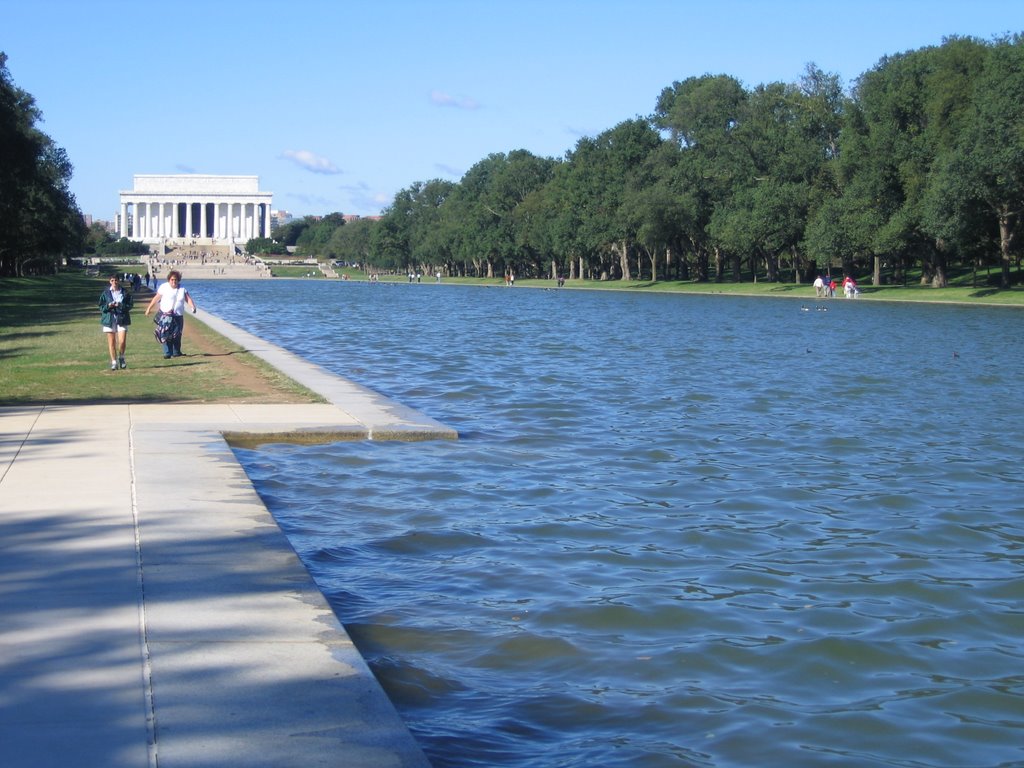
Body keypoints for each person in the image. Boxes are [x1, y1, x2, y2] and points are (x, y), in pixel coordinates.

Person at [144, 270, 197, 358]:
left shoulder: (182, 289)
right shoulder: (164, 287)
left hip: (178, 315)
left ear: (178, 280)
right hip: (166, 315)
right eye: (172, 279)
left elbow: (188, 299)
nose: (174, 281)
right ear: (169, 280)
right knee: (165, 333)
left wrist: (193, 307)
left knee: (177, 334)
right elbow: (156, 298)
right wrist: (149, 308)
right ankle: (167, 353)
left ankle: (176, 352)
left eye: (175, 280)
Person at [99, 274, 134, 370]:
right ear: (110, 281)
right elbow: (101, 306)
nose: (114, 282)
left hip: (122, 318)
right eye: (112, 280)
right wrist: (108, 306)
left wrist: (120, 305)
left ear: (119, 281)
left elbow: (130, 305)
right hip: (109, 319)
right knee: (112, 342)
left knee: (122, 341)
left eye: (116, 280)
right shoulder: (106, 293)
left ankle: (121, 357)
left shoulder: (124, 292)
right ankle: (114, 362)